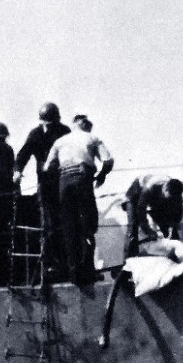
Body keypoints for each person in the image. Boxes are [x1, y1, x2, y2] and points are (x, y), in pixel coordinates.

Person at [44, 113, 114, 285]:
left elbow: (48, 167)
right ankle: (88, 270)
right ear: (84, 124)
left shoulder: (60, 141)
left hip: (64, 181)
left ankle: (73, 270)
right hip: (82, 180)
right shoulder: (92, 138)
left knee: (69, 227)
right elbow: (108, 160)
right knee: (88, 225)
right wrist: (102, 176)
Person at [13, 103, 71, 277]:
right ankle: (51, 263)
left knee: (64, 221)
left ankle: (66, 262)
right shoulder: (36, 134)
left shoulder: (64, 132)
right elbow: (23, 154)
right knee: (48, 222)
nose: (48, 126)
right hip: (45, 182)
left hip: (61, 179)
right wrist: (17, 171)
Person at [123, 175, 183, 259]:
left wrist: (173, 228)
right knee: (133, 228)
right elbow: (141, 211)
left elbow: (178, 213)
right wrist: (148, 231)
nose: (171, 199)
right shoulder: (149, 188)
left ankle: (172, 256)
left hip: (155, 197)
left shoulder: (176, 192)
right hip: (135, 194)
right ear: (165, 189)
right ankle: (128, 264)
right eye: (169, 196)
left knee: (169, 228)